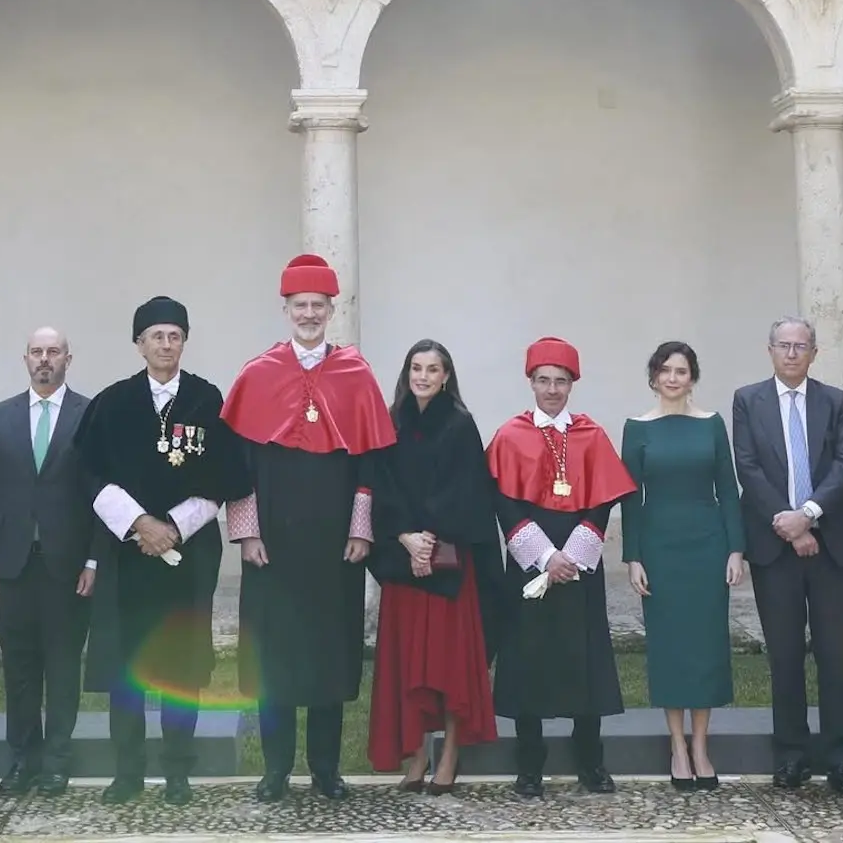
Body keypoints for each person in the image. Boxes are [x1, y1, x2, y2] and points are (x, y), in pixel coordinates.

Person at [222, 254, 396, 802]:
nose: (310, 314)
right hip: (272, 544)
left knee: (328, 654)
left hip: (332, 545)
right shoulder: (257, 373)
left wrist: (362, 529)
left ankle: (325, 768)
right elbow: (239, 466)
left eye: (319, 306)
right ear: (286, 309)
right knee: (276, 656)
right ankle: (275, 770)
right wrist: (247, 531)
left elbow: (370, 465)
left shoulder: (356, 373)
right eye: (301, 306)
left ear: (331, 309)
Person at [75, 296, 246, 807]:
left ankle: (177, 773)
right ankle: (127, 773)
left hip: (187, 558)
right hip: (127, 557)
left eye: (174, 336)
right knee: (127, 667)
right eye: (156, 337)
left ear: (184, 342)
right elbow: (87, 471)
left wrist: (172, 527)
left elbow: (226, 476)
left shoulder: (207, 400)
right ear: (139, 344)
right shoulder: (112, 402)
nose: (165, 345)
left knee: (181, 667)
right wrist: (139, 523)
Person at [486, 336, 635, 799]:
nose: (552, 389)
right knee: (528, 660)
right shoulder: (510, 435)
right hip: (532, 563)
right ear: (530, 382)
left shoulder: (591, 434)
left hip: (578, 564)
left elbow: (604, 499)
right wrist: (545, 557)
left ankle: (591, 761)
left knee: (582, 660)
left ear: (573, 384)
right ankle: (529, 764)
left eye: (561, 381)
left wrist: (571, 555)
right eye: (544, 380)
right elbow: (504, 503)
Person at [732, 315, 843, 795]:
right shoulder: (748, 400)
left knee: (835, 658)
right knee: (784, 658)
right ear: (770, 350)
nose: (792, 353)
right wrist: (788, 525)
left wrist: (807, 515)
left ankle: (841, 760)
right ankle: (790, 756)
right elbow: (747, 466)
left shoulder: (835, 401)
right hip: (775, 547)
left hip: (830, 548)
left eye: (800, 346)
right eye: (783, 345)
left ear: (814, 352)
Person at [367, 340, 499, 791]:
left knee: (447, 667)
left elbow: (468, 492)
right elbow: (380, 484)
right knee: (410, 667)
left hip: (446, 562)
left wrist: (430, 541)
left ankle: (450, 757)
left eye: (433, 369)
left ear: (447, 376)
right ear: (407, 373)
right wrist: (405, 536)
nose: (423, 376)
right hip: (402, 559)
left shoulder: (461, 425)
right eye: (416, 368)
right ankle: (418, 756)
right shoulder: (391, 420)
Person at [0, 328, 98, 797]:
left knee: (64, 668)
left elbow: (98, 495)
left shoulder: (90, 415)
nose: (45, 360)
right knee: (20, 668)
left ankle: (57, 761)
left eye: (54, 352)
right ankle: (23, 759)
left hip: (68, 566)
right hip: (12, 565)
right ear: (25, 358)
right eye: (37, 352)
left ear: (69, 358)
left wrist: (93, 561)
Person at [621, 342, 745, 790]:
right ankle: (676, 745)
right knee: (670, 647)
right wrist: (632, 556)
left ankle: (700, 745)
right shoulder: (636, 428)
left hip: (708, 546)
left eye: (682, 371)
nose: (673, 378)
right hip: (659, 547)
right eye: (666, 370)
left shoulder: (711, 424)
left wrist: (736, 548)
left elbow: (729, 490)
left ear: (693, 377)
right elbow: (630, 497)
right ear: (654, 376)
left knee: (706, 646)